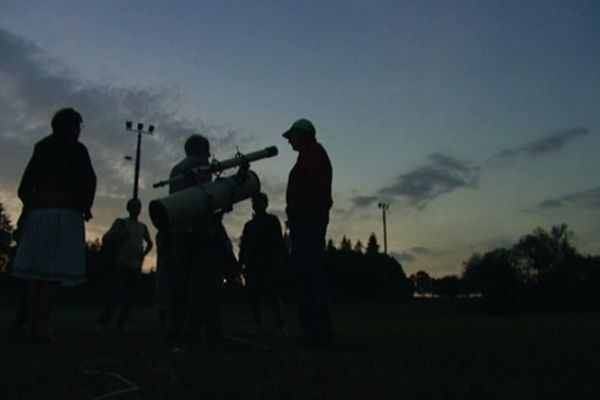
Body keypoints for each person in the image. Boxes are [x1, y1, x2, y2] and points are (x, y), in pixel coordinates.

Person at [12, 107, 96, 342]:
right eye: (78, 126)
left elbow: (25, 184)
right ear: (71, 127)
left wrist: (31, 205)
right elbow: (88, 180)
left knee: (36, 273)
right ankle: (41, 327)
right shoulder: (77, 150)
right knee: (51, 274)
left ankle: (32, 326)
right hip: (63, 213)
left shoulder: (42, 147)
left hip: (38, 213)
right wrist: (83, 206)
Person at [167, 134, 227, 350]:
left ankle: (175, 330)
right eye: (207, 150)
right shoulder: (200, 165)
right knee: (201, 284)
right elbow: (205, 198)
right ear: (202, 150)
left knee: (179, 284)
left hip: (179, 232)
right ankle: (198, 332)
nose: (209, 155)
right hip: (199, 232)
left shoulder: (175, 169)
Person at [282, 118, 334, 346]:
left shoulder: (312, 154)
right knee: (310, 276)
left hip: (307, 222)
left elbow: (312, 188)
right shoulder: (310, 154)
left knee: (308, 276)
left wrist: (295, 207)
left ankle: (316, 333)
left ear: (301, 134)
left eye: (291, 136)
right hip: (306, 221)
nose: (289, 141)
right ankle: (317, 332)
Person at [98, 198, 153, 330]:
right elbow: (106, 239)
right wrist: (121, 236)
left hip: (135, 266)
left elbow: (150, 243)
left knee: (129, 295)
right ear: (128, 208)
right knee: (115, 292)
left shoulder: (142, 227)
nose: (137, 209)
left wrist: (143, 254)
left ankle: (121, 323)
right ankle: (105, 320)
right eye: (134, 206)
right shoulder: (121, 223)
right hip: (121, 263)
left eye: (139, 206)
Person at [239, 192, 288, 336]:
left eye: (258, 202)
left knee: (273, 296)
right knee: (255, 298)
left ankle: (280, 326)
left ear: (265, 204)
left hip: (269, 265)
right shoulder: (249, 226)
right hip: (253, 266)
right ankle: (258, 325)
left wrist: (277, 262)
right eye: (254, 202)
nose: (255, 204)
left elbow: (278, 244)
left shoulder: (272, 221)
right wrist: (241, 264)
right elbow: (244, 246)